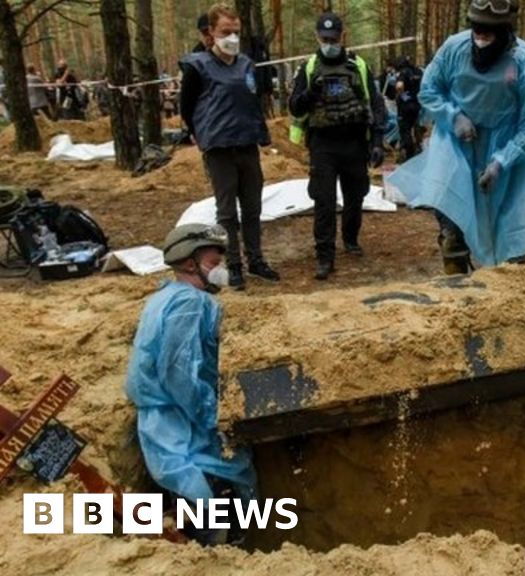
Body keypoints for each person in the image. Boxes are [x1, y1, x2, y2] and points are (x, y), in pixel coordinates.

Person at [387, 0, 525, 274]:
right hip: (455, 146)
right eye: (476, 29)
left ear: (505, 30)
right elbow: (429, 90)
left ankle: (508, 289)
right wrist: (453, 117)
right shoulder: (454, 48)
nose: (480, 37)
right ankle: (457, 283)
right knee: (452, 222)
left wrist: (502, 161)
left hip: (507, 151)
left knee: (511, 233)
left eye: (488, 31)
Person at [125, 223, 257, 546]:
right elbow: (178, 373)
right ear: (189, 263)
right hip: (181, 427)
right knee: (218, 504)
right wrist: (215, 416)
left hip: (166, 423)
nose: (221, 270)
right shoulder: (190, 303)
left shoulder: (165, 297)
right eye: (214, 263)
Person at [180, 3, 279, 290]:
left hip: (247, 144)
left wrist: (261, 134)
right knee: (226, 212)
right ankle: (233, 264)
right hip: (219, 148)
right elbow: (186, 106)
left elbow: (253, 100)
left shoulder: (246, 64)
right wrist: (198, 132)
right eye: (226, 32)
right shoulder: (197, 67)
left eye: (236, 32)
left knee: (253, 207)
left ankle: (256, 260)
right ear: (211, 32)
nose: (232, 38)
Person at [289, 12, 387, 280]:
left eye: (333, 38)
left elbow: (375, 104)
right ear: (317, 37)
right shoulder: (308, 68)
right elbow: (295, 108)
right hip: (323, 145)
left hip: (354, 143)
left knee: (356, 197)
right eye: (324, 38)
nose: (329, 43)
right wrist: (311, 94)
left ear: (343, 36)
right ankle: (325, 256)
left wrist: (378, 141)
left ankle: (351, 239)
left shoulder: (358, 65)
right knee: (324, 201)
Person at [395, 55, 425, 160]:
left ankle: (409, 155)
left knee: (405, 130)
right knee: (417, 127)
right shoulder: (419, 72)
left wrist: (402, 96)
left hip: (405, 106)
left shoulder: (403, 72)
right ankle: (419, 148)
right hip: (417, 104)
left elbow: (399, 86)